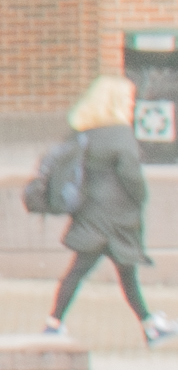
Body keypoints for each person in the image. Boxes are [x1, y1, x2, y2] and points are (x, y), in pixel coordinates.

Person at [40, 74, 163, 340]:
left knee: (85, 271)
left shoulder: (83, 131)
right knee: (122, 274)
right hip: (116, 219)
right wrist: (140, 199)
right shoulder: (120, 134)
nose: (132, 105)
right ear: (116, 102)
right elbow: (132, 178)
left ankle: (54, 323)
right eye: (128, 100)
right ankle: (150, 326)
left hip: (90, 215)